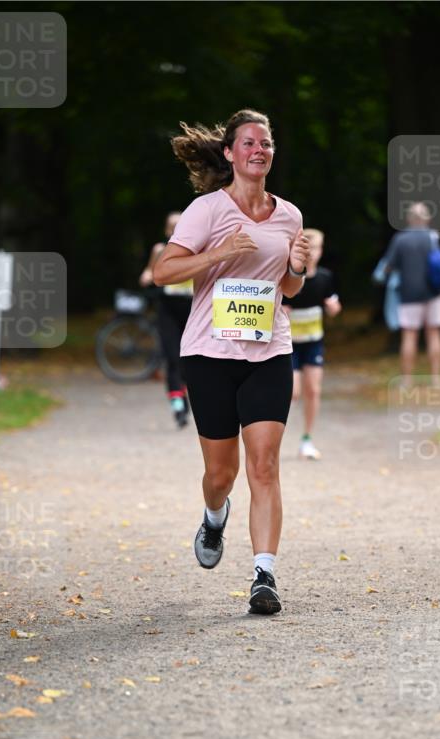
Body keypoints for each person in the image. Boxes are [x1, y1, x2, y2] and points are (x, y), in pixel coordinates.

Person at [153, 109, 309, 615]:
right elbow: (163, 272)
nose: (259, 150)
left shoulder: (289, 216)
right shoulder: (206, 210)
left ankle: (264, 576)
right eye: (249, 143)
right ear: (229, 153)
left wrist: (298, 270)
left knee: (264, 466)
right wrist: (218, 253)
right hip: (209, 354)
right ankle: (214, 513)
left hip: (269, 351)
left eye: (266, 143)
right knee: (222, 472)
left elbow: (287, 289)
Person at [283, 228, 341, 460]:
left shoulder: (325, 277)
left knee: (313, 390)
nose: (315, 252)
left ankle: (307, 439)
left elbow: (334, 303)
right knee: (293, 392)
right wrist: (283, 311)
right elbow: (280, 302)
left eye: (318, 248)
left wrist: (333, 307)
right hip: (290, 343)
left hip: (314, 342)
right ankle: (273, 437)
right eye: (311, 247)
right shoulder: (292, 276)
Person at [383, 202, 440, 389]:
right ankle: (436, 379)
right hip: (434, 293)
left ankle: (407, 381)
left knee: (409, 337)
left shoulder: (400, 239)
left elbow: (389, 266)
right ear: (427, 218)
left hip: (408, 294)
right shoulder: (434, 237)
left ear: (409, 219)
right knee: (435, 335)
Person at [140, 212, 192, 428]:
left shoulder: (196, 250)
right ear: (166, 230)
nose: (175, 229)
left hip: (192, 310)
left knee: (189, 360)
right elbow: (148, 273)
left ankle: (186, 395)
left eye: (180, 225)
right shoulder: (160, 250)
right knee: (172, 358)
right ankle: (178, 405)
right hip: (168, 310)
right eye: (172, 226)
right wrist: (147, 277)